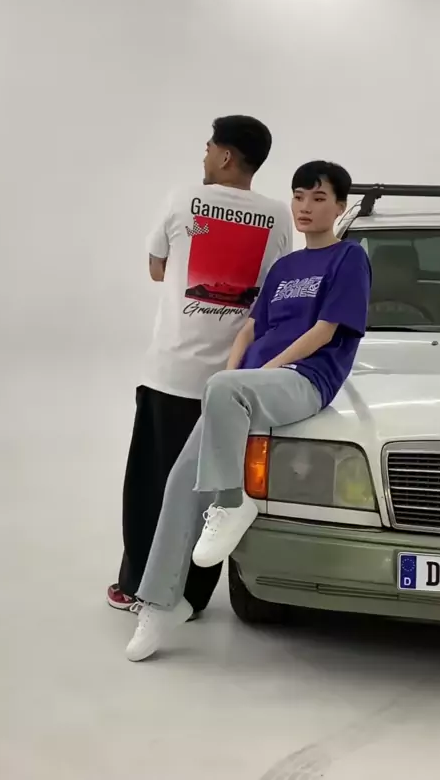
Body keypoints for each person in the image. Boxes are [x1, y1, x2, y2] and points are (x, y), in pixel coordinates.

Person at [124, 159, 372, 662]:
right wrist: (231, 373)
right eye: (298, 196)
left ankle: (232, 503)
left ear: (340, 207)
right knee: (180, 483)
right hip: (248, 387)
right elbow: (250, 329)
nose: (305, 207)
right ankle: (161, 603)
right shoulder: (284, 268)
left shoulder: (349, 258)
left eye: (318, 198)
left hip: (305, 379)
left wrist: (259, 373)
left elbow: (325, 332)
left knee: (224, 395)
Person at [108, 115, 293, 617]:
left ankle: (138, 586)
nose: (205, 155)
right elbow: (274, 290)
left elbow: (156, 269)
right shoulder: (279, 216)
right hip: (232, 386)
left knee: (151, 485)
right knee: (212, 492)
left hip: (171, 373)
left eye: (209, 147)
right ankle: (191, 596)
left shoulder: (183, 198)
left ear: (227, 156)